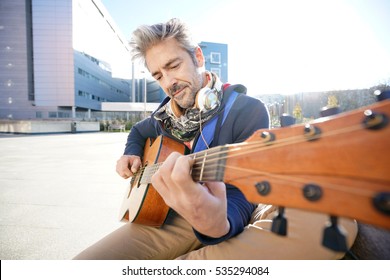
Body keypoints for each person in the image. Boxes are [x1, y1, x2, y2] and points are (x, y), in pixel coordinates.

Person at [74, 18, 357, 260]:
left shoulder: (246, 110)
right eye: (158, 75)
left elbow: (245, 192)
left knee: (324, 229)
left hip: (222, 213)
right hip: (159, 216)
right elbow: (138, 132)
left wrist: (215, 222)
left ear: (198, 57)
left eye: (173, 66)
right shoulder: (165, 117)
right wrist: (131, 153)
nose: (168, 82)